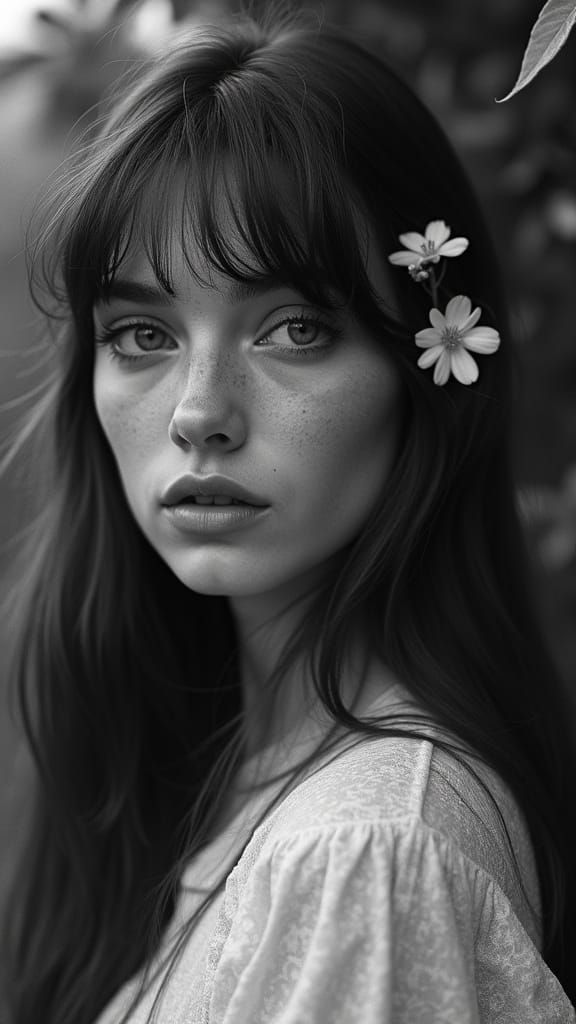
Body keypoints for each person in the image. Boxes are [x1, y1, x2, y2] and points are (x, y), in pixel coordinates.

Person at [1, 10, 575, 1024]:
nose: (199, 413)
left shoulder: (369, 857)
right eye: (142, 333)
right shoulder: (217, 788)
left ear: (428, 367)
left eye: (295, 327)